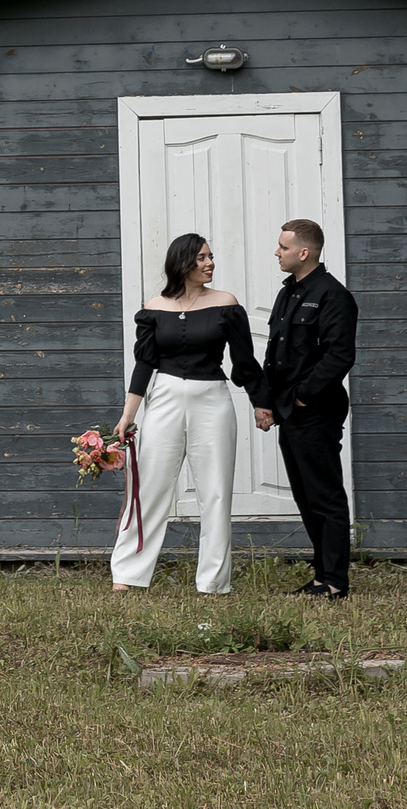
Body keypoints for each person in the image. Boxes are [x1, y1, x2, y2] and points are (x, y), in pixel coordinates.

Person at [108, 233, 263, 594]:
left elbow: (244, 362)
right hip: (163, 398)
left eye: (211, 257)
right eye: (202, 258)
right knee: (148, 487)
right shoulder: (154, 306)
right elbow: (144, 363)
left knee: (216, 492)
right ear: (182, 263)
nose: (210, 264)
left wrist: (260, 401)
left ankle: (212, 583)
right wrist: (127, 414)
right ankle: (127, 576)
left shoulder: (227, 304)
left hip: (213, 399)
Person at [252, 217, 358, 598]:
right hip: (289, 412)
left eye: (282, 247)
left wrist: (304, 395)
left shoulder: (332, 295)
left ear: (304, 251)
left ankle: (334, 582)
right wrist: (265, 400)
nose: (276, 252)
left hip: (316, 410)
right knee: (305, 494)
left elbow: (340, 355)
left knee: (324, 494)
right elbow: (273, 354)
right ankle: (320, 576)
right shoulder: (288, 292)